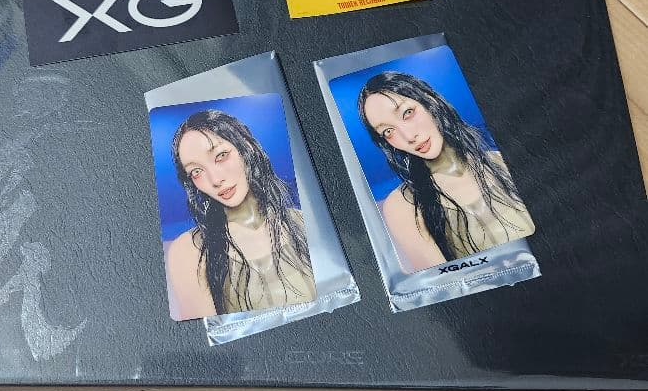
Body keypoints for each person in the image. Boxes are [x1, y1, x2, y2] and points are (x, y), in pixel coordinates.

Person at [357, 72, 534, 273]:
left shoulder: (500, 161)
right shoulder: (403, 206)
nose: (409, 136)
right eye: (388, 131)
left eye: (407, 113)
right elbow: (448, 284)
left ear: (430, 101)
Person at [166, 109, 317, 318]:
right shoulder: (189, 250)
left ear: (247, 147)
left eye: (221, 156)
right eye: (196, 171)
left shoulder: (303, 223)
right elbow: (207, 332)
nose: (215, 179)